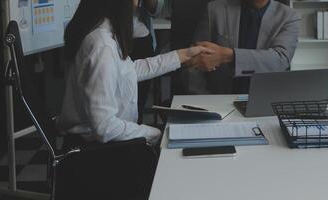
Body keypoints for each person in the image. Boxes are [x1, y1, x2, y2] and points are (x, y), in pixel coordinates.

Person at [57, 0, 212, 146]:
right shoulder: (103, 47)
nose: (138, 4)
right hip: (94, 152)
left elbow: (130, 70)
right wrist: (154, 133)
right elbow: (105, 127)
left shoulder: (100, 33)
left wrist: (183, 55)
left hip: (96, 144)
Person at [184, 0, 301, 94]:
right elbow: (193, 59)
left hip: (264, 100)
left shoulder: (289, 16)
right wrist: (201, 96)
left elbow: (280, 60)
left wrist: (227, 55)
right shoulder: (214, 9)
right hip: (218, 99)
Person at [132, 0, 172, 124]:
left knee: (136, 106)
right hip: (109, 35)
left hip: (139, 39)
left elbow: (155, 10)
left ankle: (136, 138)